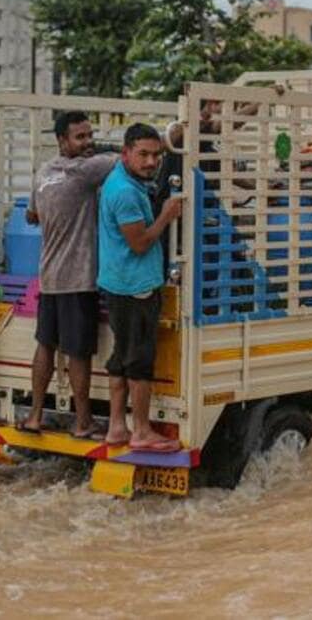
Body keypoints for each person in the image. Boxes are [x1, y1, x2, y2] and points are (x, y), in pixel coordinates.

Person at [19, 111, 118, 437]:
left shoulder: (43, 173)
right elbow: (132, 155)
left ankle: (34, 416)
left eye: (90, 135)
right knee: (78, 352)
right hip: (78, 279)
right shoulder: (84, 171)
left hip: (48, 278)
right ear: (63, 141)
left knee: (45, 345)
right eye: (81, 137)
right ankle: (83, 421)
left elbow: (32, 216)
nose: (88, 142)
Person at [97, 123, 183, 452]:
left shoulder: (124, 178)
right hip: (135, 286)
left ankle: (118, 427)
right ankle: (142, 431)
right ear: (126, 153)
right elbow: (140, 243)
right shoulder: (125, 193)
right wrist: (166, 215)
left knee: (121, 356)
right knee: (139, 360)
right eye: (143, 155)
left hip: (119, 281)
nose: (151, 162)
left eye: (156, 155)